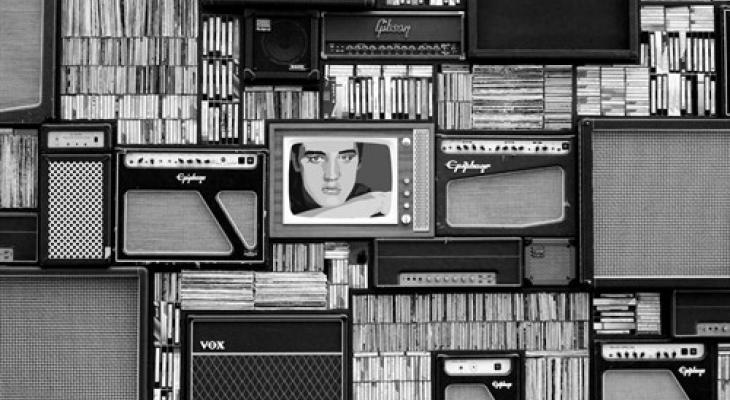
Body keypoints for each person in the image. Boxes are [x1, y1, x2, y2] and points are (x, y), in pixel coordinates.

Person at [288, 140, 391, 218]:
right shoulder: (279, 198)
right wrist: (356, 208)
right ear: (295, 161)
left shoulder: (365, 197)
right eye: (316, 158)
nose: (332, 176)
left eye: (346, 158)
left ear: (359, 162)